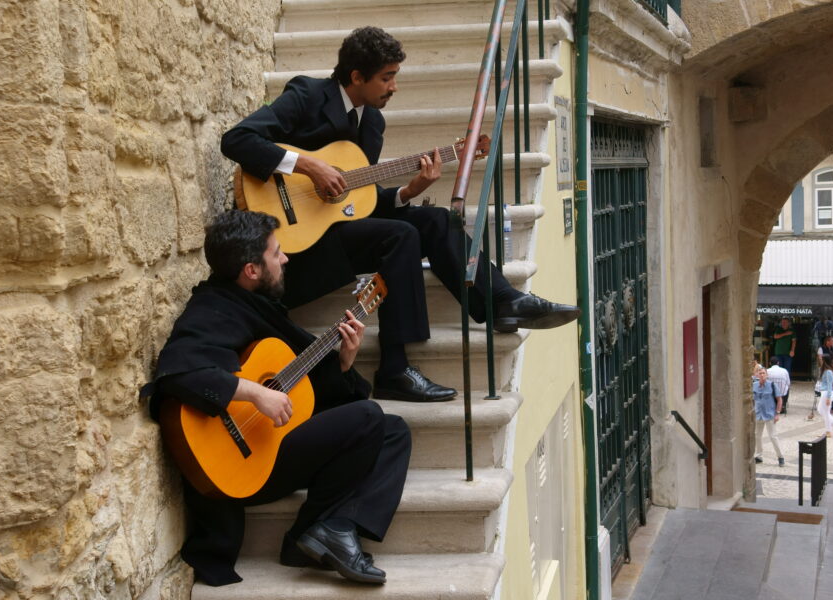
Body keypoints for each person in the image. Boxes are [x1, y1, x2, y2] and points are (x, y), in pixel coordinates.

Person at [220, 26, 579, 402]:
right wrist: (309, 166)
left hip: (335, 231)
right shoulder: (307, 95)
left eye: (395, 76)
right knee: (400, 236)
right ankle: (394, 369)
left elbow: (359, 200)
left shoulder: (372, 123)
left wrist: (409, 192)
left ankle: (502, 301)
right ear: (357, 77)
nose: (394, 87)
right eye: (386, 77)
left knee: (437, 220)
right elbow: (237, 139)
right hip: (290, 246)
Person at [145, 211, 411, 586]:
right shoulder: (212, 308)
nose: (285, 259)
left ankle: (323, 531)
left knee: (393, 431)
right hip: (240, 462)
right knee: (367, 416)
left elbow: (311, 393)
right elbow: (177, 372)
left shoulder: (256, 306)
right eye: (277, 253)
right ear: (252, 269)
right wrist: (255, 393)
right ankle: (328, 531)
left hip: (265, 443)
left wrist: (344, 362)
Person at [753, 368, 785, 466]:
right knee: (757, 436)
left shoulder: (772, 385)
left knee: (773, 436)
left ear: (767, 375)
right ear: (757, 375)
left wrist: (777, 413)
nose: (762, 375)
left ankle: (780, 456)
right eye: (760, 373)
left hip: (770, 414)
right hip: (758, 414)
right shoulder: (754, 385)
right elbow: (752, 399)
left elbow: (779, 400)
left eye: (763, 373)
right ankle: (759, 456)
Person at [817, 355, 833, 437]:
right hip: (825, 393)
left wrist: (828, 397)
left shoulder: (828, 372)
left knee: (825, 412)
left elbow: (829, 385)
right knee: (822, 410)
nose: (820, 361)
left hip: (827, 393)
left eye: (821, 359)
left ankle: (829, 431)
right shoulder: (827, 371)